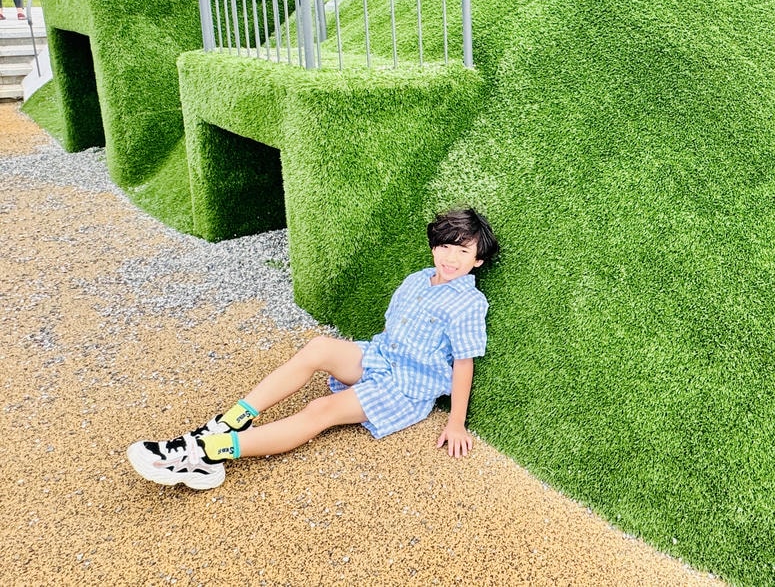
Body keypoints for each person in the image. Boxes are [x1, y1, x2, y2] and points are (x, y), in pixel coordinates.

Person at [127, 208, 499, 490]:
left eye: (463, 252)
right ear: (434, 247)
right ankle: (230, 421)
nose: (451, 258)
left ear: (477, 260)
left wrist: (456, 422)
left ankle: (205, 453)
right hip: (382, 356)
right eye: (446, 246)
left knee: (321, 409)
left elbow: (464, 364)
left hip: (406, 387)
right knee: (319, 347)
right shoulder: (418, 279)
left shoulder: (468, 303)